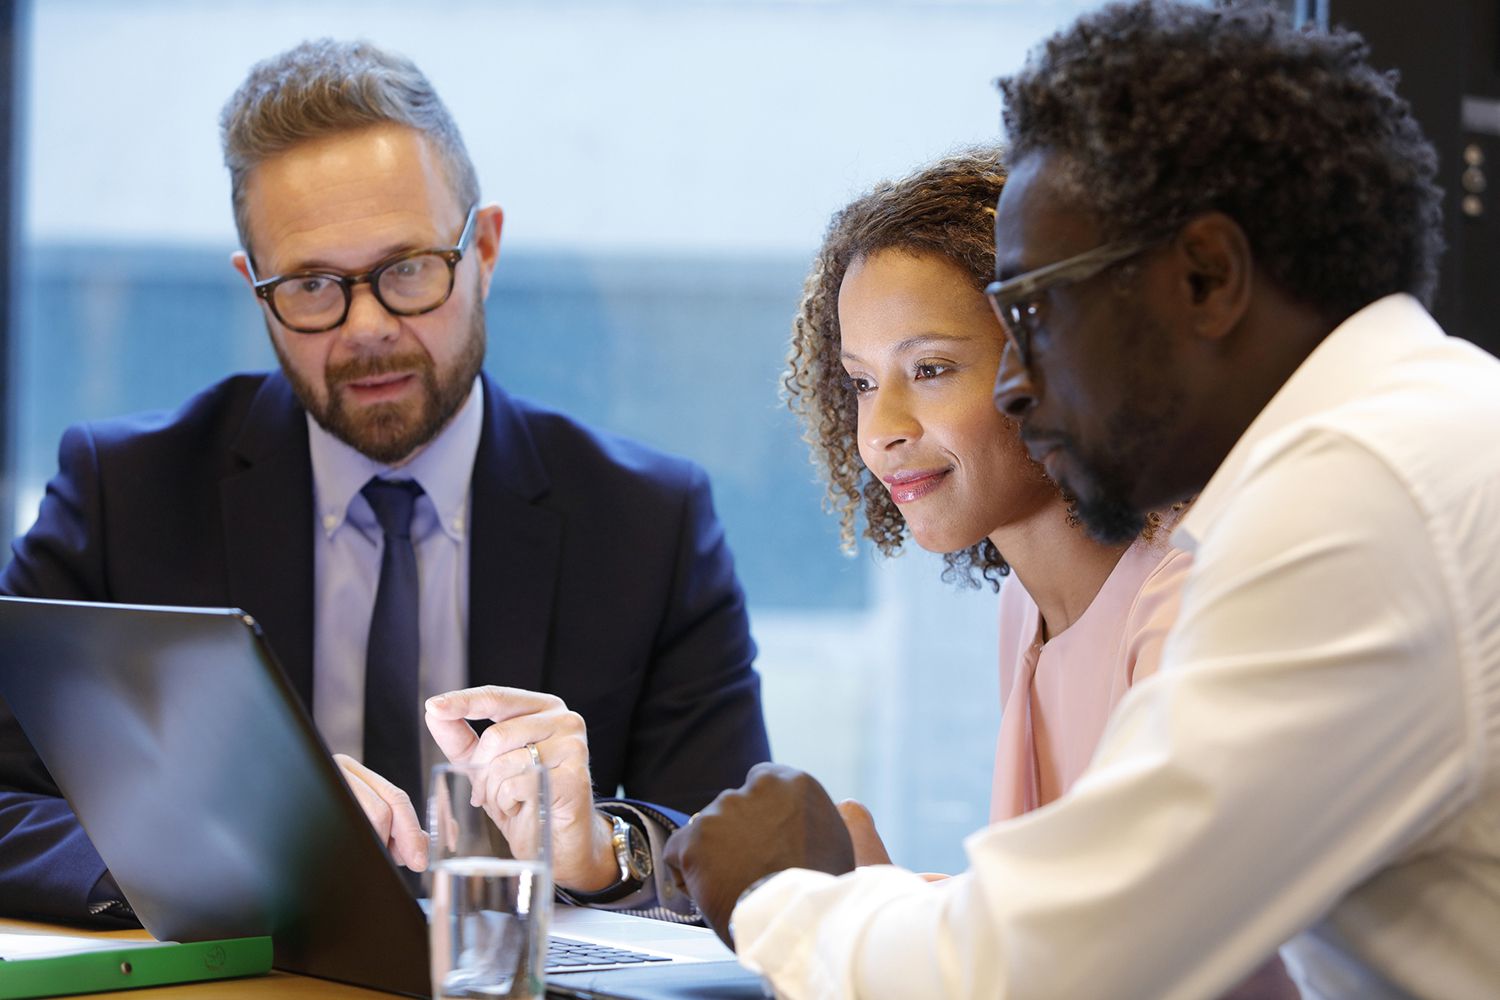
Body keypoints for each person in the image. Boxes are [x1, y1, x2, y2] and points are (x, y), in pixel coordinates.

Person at [664, 2, 1500, 997]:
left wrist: (778, 892)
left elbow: (1050, 967)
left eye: (1034, 309)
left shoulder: (1357, 498)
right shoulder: (1420, 432)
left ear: (1207, 276)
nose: (1018, 380)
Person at [0, 39, 769, 925]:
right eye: (315, 286)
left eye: (406, 270)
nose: (367, 328)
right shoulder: (122, 495)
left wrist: (602, 849)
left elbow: (736, 849)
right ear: (255, 290)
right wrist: (209, 843)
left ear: (482, 250)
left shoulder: (647, 521)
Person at [782, 149, 1190, 839]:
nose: (880, 432)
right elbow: (1042, 914)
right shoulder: (1023, 607)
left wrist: (859, 904)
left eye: (931, 368)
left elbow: (1119, 937)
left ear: (1062, 361)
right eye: (861, 383)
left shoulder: (1183, 605)